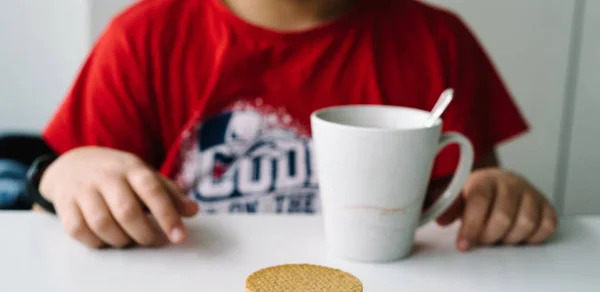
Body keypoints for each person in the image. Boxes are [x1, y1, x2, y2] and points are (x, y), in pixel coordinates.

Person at [35, 0, 557, 250]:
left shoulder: (437, 41)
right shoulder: (143, 40)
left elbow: (475, 189)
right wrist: (63, 173)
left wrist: (498, 197)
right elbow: (65, 190)